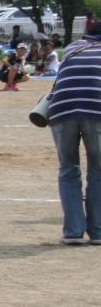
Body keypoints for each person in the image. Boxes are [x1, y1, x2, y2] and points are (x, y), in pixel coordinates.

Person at [46, 20, 101, 244]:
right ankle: (97, 232)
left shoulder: (72, 48)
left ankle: (73, 232)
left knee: (68, 169)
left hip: (61, 109)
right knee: (98, 170)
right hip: (96, 108)